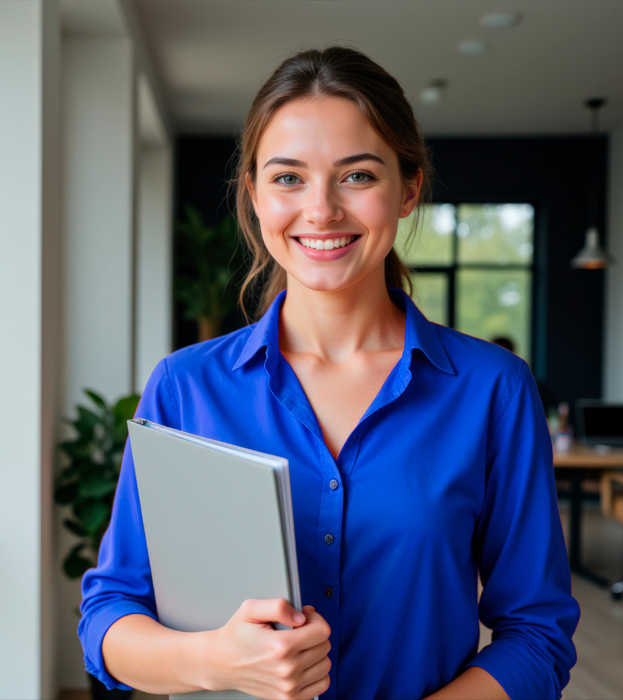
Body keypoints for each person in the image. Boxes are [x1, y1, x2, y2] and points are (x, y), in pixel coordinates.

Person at [79, 47, 580, 700]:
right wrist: (218, 661)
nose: (321, 210)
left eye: (357, 176)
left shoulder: (492, 391)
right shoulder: (186, 386)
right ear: (254, 194)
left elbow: (538, 634)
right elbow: (109, 618)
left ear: (408, 190)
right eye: (288, 178)